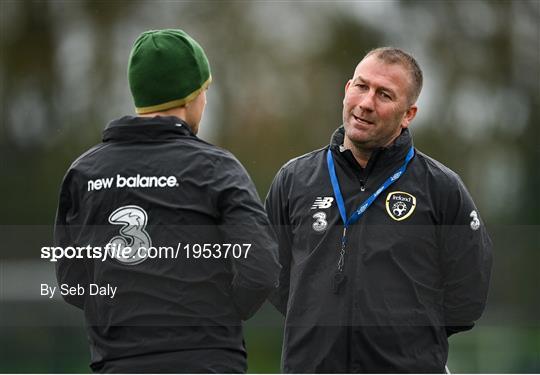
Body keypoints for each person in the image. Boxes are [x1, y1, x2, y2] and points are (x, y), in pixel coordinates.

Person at [54, 29, 280, 373]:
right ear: (192, 97)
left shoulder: (84, 172)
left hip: (119, 362)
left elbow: (71, 280)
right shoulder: (217, 167)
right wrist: (219, 314)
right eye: (205, 91)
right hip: (208, 360)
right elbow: (261, 268)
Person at [265, 47, 492, 373]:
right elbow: (273, 274)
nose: (367, 103)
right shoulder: (294, 179)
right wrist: (315, 314)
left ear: (408, 114)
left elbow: (468, 293)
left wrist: (410, 340)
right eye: (361, 86)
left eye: (384, 95)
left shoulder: (441, 188)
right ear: (347, 90)